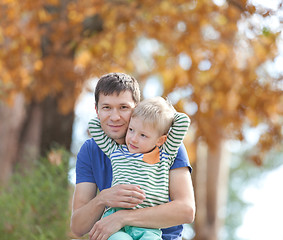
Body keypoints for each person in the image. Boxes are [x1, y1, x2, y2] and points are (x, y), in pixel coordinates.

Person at [70, 73, 195, 240]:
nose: (115, 117)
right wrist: (103, 199)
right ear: (97, 110)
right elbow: (78, 227)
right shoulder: (91, 150)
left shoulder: (165, 146)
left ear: (136, 108)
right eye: (106, 107)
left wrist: (122, 218)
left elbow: (186, 210)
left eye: (123, 107)